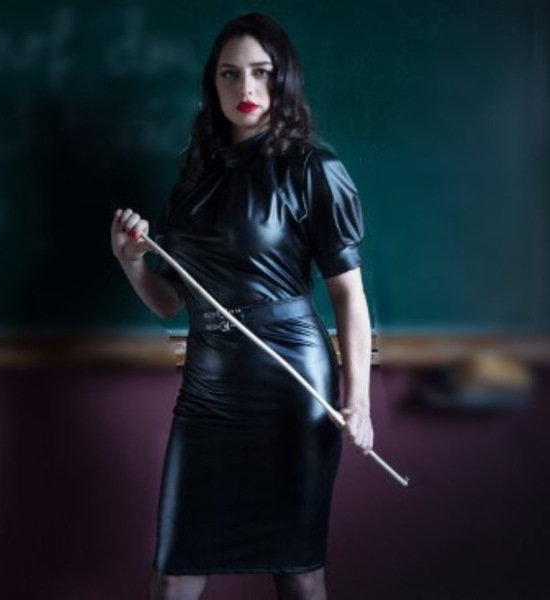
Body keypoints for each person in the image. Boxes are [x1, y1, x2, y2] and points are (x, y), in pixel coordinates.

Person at [111, 12, 373, 600]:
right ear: (214, 83)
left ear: (285, 80)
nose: (246, 88)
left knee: (299, 569)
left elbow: (348, 295)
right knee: (173, 573)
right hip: (207, 390)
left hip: (291, 387)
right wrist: (131, 263)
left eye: (261, 72)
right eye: (230, 74)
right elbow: (171, 303)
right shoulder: (195, 177)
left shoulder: (314, 169)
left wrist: (358, 402)